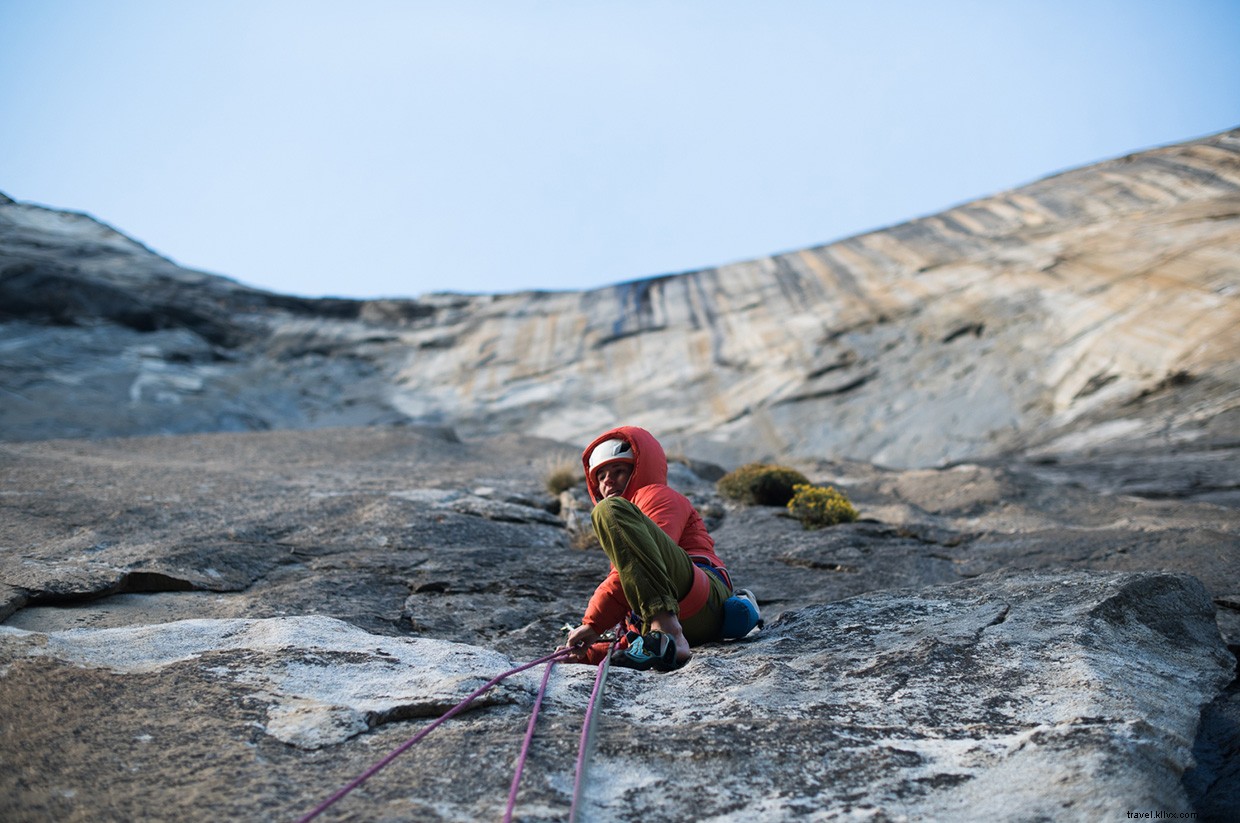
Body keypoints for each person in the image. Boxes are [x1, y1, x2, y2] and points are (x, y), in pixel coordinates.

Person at [560, 425, 735, 671]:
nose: (608, 480)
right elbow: (637, 595)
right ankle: (665, 638)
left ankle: (669, 634)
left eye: (618, 471)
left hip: (704, 598)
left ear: (639, 470)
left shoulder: (658, 496)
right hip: (685, 622)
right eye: (600, 476)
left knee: (609, 510)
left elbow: (642, 567)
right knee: (610, 513)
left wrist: (593, 624)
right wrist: (585, 655)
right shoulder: (622, 521)